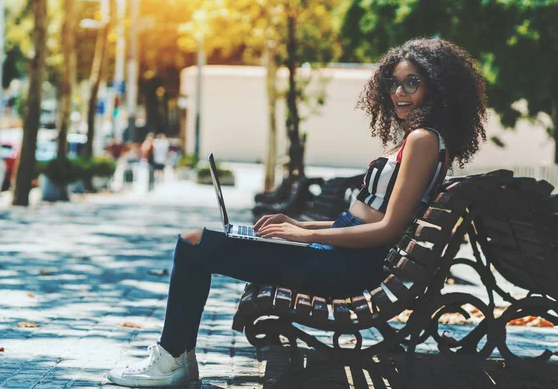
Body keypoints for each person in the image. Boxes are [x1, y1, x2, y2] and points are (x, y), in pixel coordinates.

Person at [107, 38, 487, 387]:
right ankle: (179, 357)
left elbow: (387, 230)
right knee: (206, 241)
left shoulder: (423, 141)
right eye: (393, 83)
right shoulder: (420, 139)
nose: (398, 93)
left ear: (436, 87)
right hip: (340, 257)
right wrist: (297, 224)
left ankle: (172, 360)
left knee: (193, 243)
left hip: (347, 268)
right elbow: (363, 217)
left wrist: (307, 237)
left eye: (411, 83)